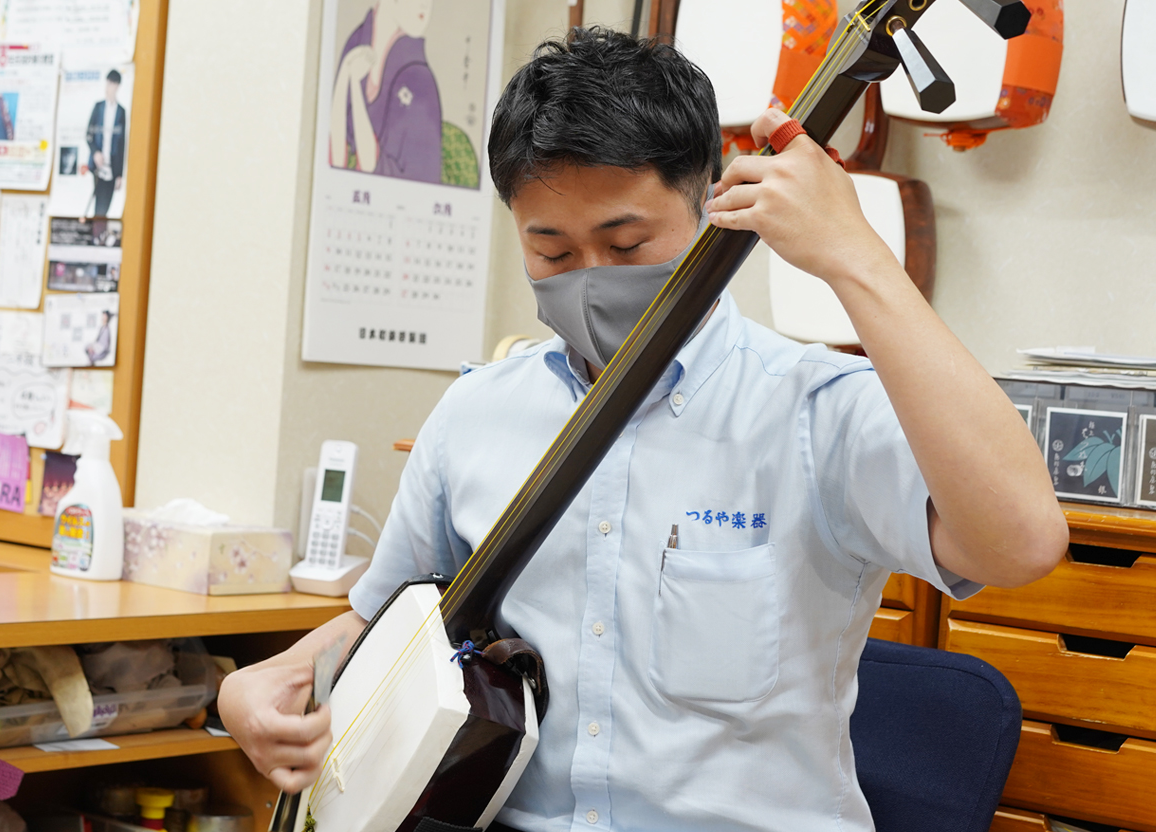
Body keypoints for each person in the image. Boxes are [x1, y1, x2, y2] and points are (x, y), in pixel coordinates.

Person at [219, 27, 1068, 831]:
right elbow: (386, 625)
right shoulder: (476, 414)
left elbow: (1022, 544)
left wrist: (855, 256)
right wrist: (256, 685)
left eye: (626, 244)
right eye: (552, 253)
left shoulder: (815, 410)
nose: (590, 277)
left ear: (708, 204)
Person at [330, 0, 442, 183]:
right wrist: (345, 73)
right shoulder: (357, 42)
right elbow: (334, 153)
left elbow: (374, 165)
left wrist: (354, 84)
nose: (425, 5)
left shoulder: (418, 77)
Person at [85, 69, 126, 218]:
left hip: (112, 168)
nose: (109, 87)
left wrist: (119, 174)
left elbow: (121, 145)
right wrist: (95, 152)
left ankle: (98, 231)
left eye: (113, 84)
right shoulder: (98, 107)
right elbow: (88, 134)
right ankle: (94, 230)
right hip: (97, 167)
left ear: (117, 86)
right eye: (108, 83)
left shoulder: (121, 112)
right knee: (95, 206)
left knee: (104, 208)